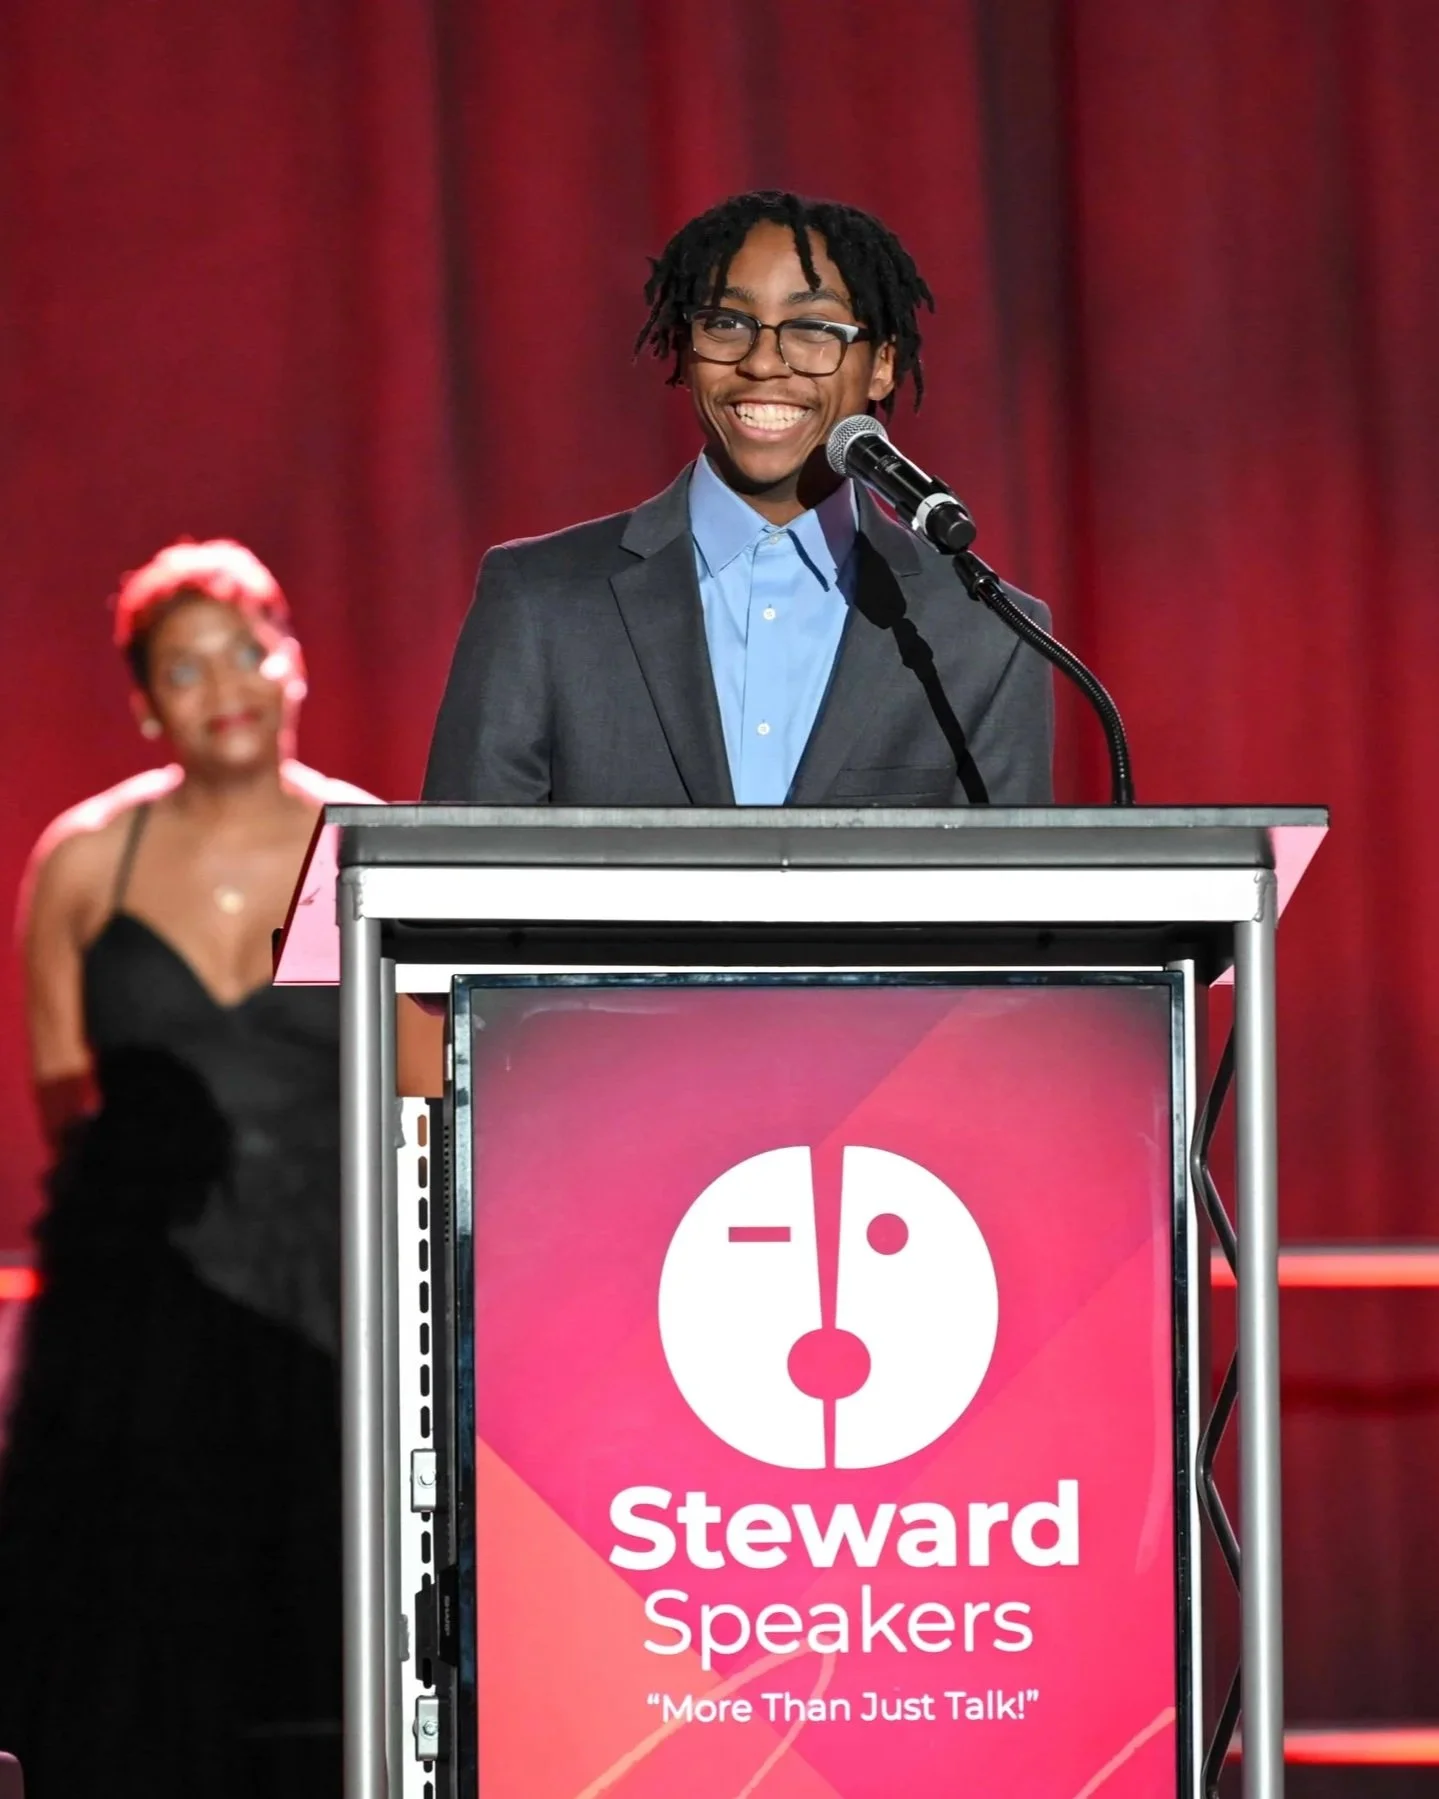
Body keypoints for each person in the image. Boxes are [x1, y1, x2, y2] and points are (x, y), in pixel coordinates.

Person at [0, 540, 370, 1799]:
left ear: (293, 663)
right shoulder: (86, 860)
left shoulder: (362, 845)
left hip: (339, 1313)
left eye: (247, 648)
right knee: (135, 1680)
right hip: (135, 1321)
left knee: (328, 1662)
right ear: (145, 702)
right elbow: (66, 1094)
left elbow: (423, 1088)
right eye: (184, 666)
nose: (224, 684)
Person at [424, 189, 1053, 806]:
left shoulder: (985, 630)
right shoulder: (539, 598)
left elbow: (1001, 906)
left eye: (812, 327)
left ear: (882, 364)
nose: (762, 362)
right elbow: (455, 898)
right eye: (727, 323)